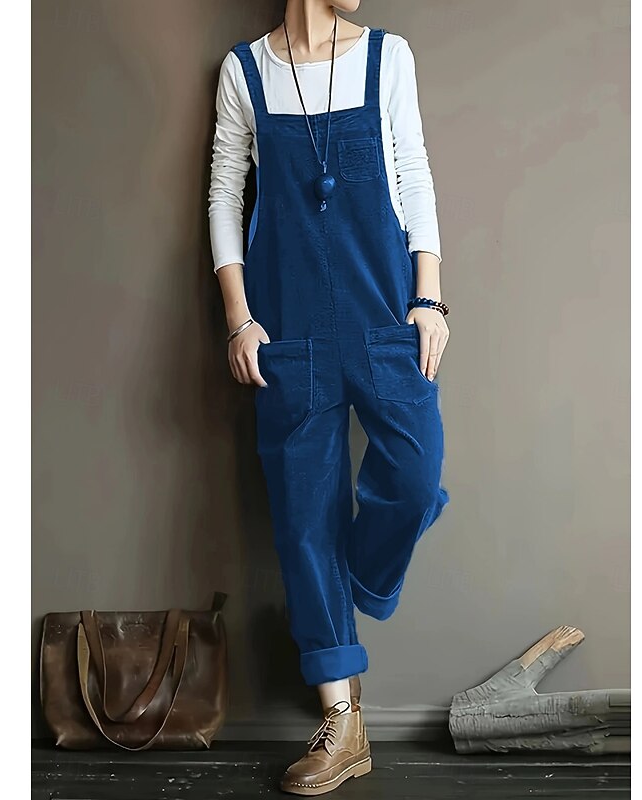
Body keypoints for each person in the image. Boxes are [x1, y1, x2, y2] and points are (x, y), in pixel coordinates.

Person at [208, 1, 450, 793]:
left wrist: (429, 298)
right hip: (290, 334)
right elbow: (224, 195)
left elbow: (413, 172)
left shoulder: (388, 58)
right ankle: (342, 725)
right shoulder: (245, 72)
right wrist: (240, 319)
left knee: (414, 477)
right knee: (303, 520)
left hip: (384, 318)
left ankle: (353, 587)